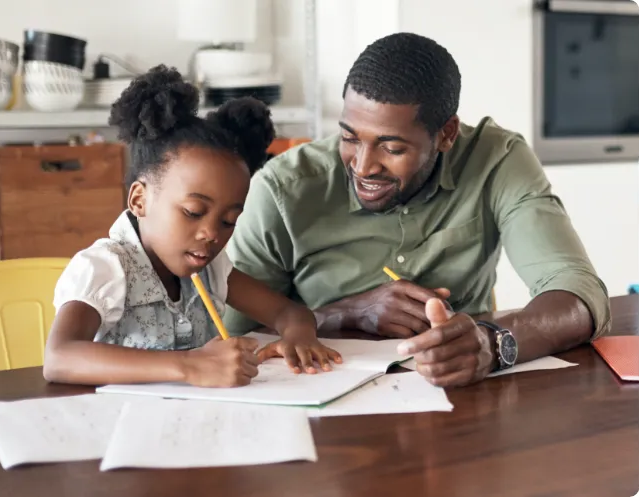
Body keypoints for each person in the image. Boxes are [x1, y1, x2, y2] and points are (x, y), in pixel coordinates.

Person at [223, 33, 610, 388]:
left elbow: (579, 294)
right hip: (318, 400)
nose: (362, 166)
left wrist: (492, 344)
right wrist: (348, 313)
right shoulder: (282, 188)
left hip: (464, 399)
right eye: (349, 137)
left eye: (392, 149)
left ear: (446, 134)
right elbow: (236, 337)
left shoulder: (496, 160)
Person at [44, 65, 341, 388]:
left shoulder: (210, 270)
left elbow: (290, 313)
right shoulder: (106, 267)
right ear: (140, 200)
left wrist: (298, 337)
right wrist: (189, 366)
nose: (212, 234)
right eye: (193, 211)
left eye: (229, 221)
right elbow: (60, 358)